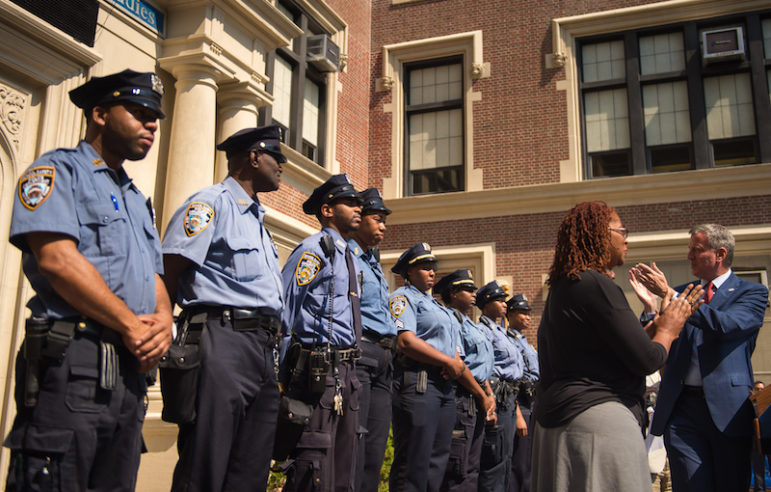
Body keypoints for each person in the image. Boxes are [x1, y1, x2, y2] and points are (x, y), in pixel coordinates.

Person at [3, 69, 173, 490]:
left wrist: (165, 321)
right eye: (138, 111)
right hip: (74, 363)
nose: (151, 123)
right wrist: (134, 325)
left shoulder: (136, 199)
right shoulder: (57, 172)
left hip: (130, 376)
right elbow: (58, 261)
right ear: (99, 113)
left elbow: (152, 273)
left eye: (155, 116)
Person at [531, 201, 699, 492]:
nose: (627, 238)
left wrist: (652, 326)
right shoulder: (596, 283)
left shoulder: (565, 287)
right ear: (598, 234)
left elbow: (601, 349)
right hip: (598, 424)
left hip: (557, 424)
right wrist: (670, 327)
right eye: (622, 230)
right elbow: (648, 359)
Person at [160, 125, 286, 490]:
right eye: (276, 157)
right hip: (221, 341)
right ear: (252, 157)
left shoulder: (259, 220)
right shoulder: (209, 203)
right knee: (206, 462)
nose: (282, 165)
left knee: (251, 468)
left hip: (262, 349)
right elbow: (169, 269)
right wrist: (165, 336)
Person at [632, 223, 770, 492]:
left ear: (720, 254)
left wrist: (670, 295)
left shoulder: (752, 292)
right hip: (682, 411)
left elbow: (726, 325)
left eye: (696, 250)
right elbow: (658, 343)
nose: (689, 256)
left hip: (728, 412)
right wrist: (651, 310)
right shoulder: (680, 292)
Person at [279, 174, 363, 491]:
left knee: (344, 466)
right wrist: (281, 376)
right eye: (350, 202)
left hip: (347, 372)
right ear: (327, 210)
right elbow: (286, 310)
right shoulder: (314, 251)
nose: (358, 208)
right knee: (314, 463)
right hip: (318, 371)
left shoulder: (348, 257)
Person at [388, 243, 476, 491]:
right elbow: (405, 340)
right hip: (419, 384)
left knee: (438, 461)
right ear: (408, 272)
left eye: (432, 268)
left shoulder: (440, 308)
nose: (431, 272)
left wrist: (453, 363)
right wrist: (446, 360)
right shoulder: (402, 298)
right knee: (414, 461)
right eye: (424, 267)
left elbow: (453, 350)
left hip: (444, 387)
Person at [349, 188, 394, 492]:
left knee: (375, 448)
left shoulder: (373, 262)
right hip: (361, 351)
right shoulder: (344, 254)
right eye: (377, 219)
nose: (383, 226)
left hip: (384, 358)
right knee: (355, 441)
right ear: (360, 218)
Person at [434, 269, 496, 492]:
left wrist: (488, 396)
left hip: (477, 398)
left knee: (472, 466)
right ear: (452, 293)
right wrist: (482, 396)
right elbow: (458, 365)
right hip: (462, 398)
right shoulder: (448, 320)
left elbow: (482, 366)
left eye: (474, 289)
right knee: (457, 467)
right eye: (468, 289)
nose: (473, 294)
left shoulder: (470, 323)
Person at [476, 280, 524, 492]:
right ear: (486, 304)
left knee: (507, 457)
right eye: (499, 300)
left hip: (510, 397)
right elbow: (483, 366)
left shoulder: (502, 331)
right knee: (494, 458)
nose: (505, 304)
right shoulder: (483, 330)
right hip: (496, 395)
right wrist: (488, 400)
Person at [505, 294, 539, 492]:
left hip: (535, 402)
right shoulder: (508, 341)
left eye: (529, 312)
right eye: (522, 312)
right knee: (520, 463)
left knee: (531, 462)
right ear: (510, 314)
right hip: (521, 403)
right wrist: (517, 412)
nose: (528, 317)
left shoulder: (526, 343)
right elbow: (510, 380)